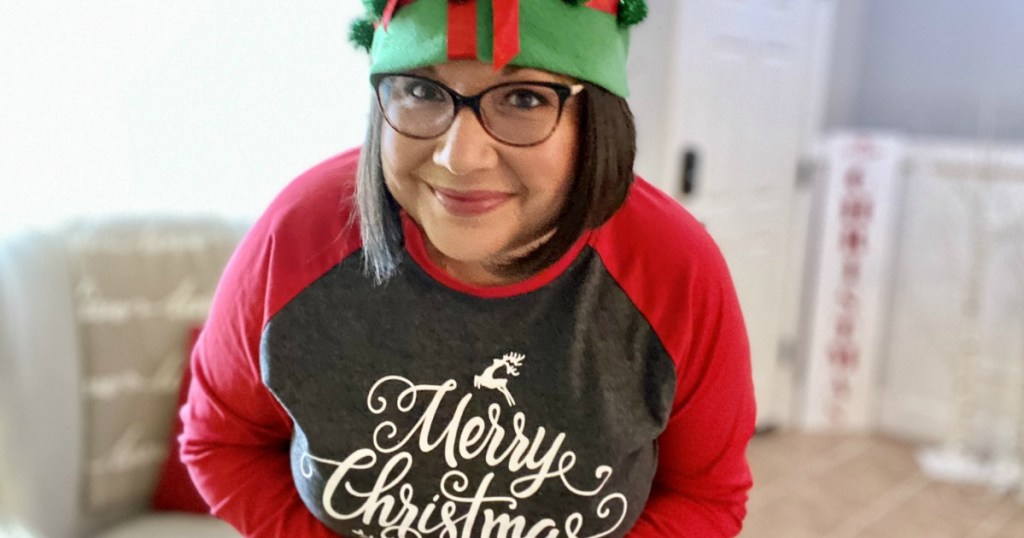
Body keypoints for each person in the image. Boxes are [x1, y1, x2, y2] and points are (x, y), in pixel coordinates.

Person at [180, 0, 756, 536]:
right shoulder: (298, 237)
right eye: (421, 90)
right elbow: (220, 442)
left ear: (596, 120)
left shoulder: (674, 269)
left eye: (524, 98)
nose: (461, 157)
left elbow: (706, 494)